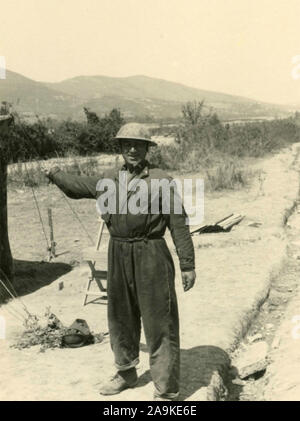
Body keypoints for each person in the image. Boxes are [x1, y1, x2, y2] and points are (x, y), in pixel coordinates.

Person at [44, 122, 196, 401]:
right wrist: (54, 174)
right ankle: (126, 372)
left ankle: (166, 388)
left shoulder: (162, 180)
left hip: (151, 252)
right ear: (121, 148)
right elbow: (77, 186)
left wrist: (187, 264)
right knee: (120, 317)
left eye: (139, 144)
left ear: (148, 149)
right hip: (119, 252)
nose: (133, 149)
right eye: (127, 144)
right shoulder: (109, 180)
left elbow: (179, 223)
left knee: (159, 320)